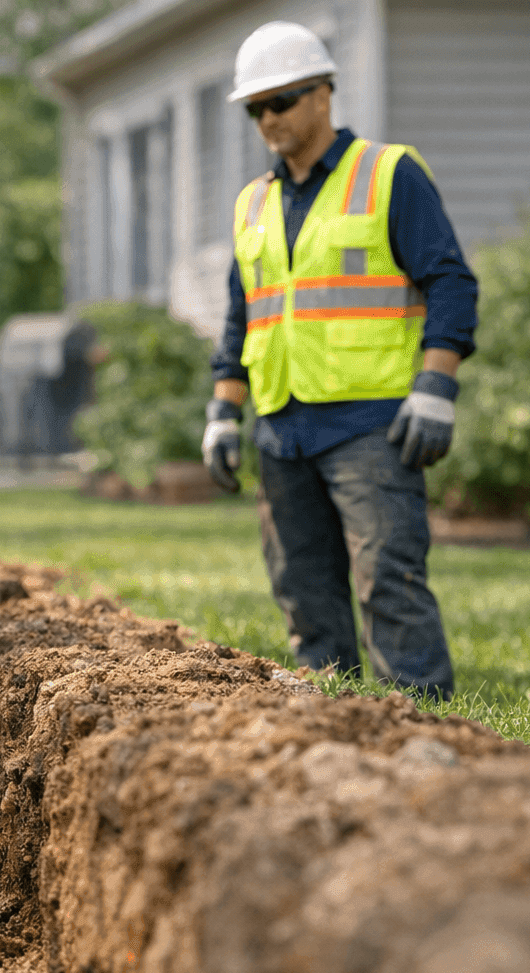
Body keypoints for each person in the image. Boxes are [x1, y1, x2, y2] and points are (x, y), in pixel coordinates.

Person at [200, 21, 477, 699]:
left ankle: (421, 723)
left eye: (282, 101)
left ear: (324, 94)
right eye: (255, 108)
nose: (268, 118)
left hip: (369, 423)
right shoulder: (252, 203)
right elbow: (244, 314)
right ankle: (332, 727)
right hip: (281, 426)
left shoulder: (388, 175)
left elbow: (450, 281)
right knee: (303, 588)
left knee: (389, 578)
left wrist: (436, 385)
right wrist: (222, 414)